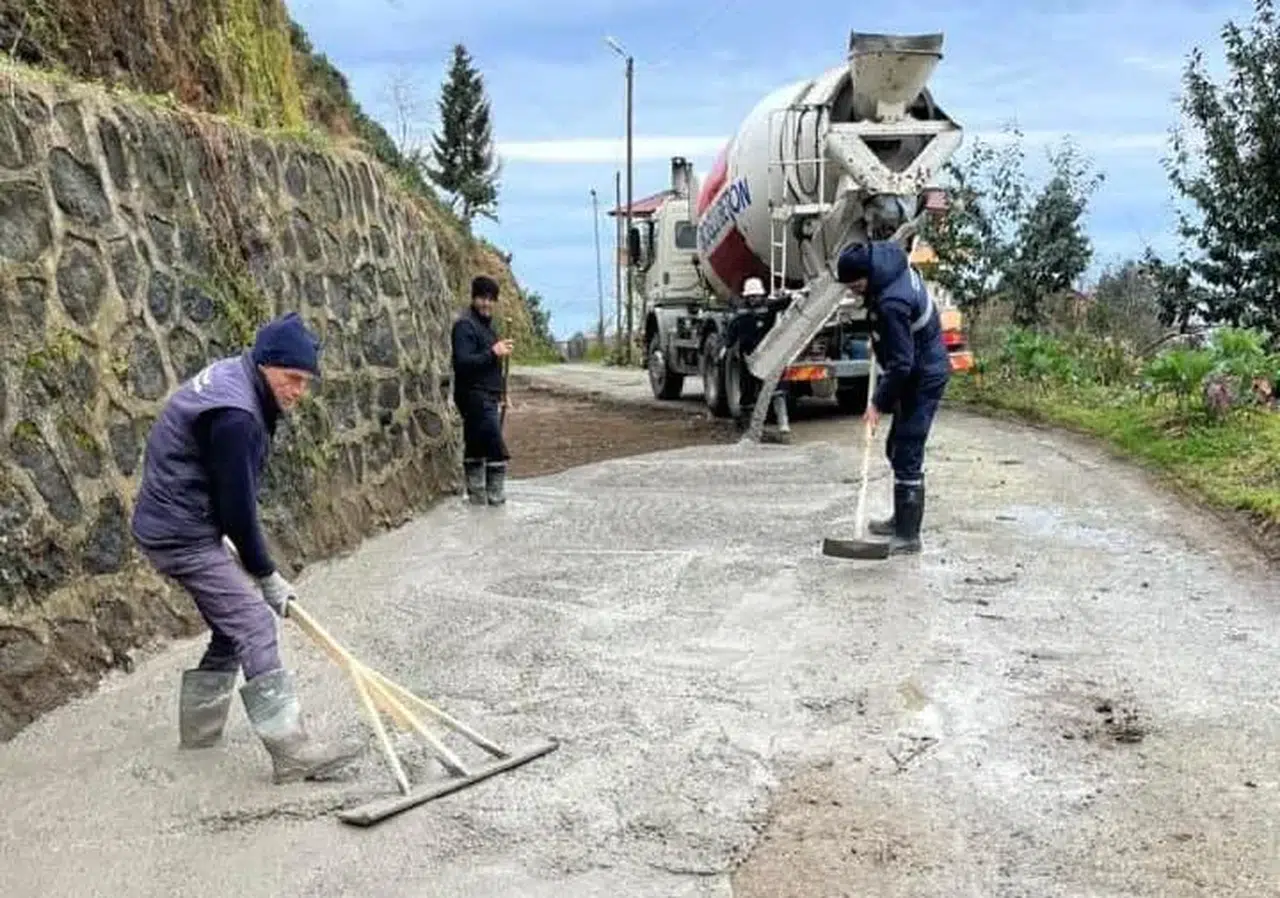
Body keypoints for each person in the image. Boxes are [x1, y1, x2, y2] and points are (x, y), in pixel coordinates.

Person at [130, 312, 362, 783]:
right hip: (181, 532)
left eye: (306, 382)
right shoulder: (237, 416)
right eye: (292, 378)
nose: (298, 391)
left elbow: (231, 500)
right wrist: (267, 576)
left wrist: (257, 568)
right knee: (255, 622)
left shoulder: (237, 379)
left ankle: (199, 733)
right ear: (266, 365)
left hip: (176, 518)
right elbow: (237, 510)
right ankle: (293, 751)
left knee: (231, 625)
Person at [836, 239, 951, 555]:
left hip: (923, 375)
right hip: (915, 367)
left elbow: (903, 363)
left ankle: (908, 536)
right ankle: (901, 517)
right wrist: (881, 340)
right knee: (894, 448)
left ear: (865, 277)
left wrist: (877, 404)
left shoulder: (891, 301)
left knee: (907, 449)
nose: (852, 291)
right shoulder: (887, 261)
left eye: (853, 285)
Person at [451, 275, 514, 505]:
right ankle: (496, 499)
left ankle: (477, 499)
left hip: (488, 395)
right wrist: (493, 352)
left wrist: (502, 393)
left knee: (476, 444)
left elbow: (493, 369)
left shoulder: (489, 329)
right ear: (474, 298)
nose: (486, 303)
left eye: (490, 299)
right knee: (495, 443)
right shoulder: (464, 326)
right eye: (482, 298)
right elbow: (463, 363)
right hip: (472, 395)